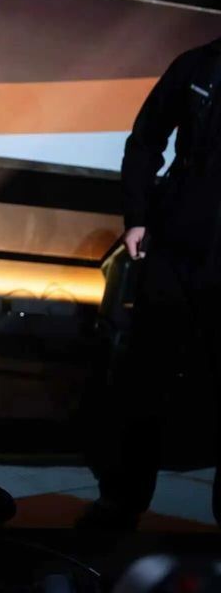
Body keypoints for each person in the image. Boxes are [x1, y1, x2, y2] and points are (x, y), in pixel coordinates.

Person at [80, 36, 221, 530]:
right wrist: (137, 215)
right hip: (175, 244)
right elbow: (146, 139)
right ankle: (121, 500)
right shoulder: (197, 65)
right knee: (146, 376)